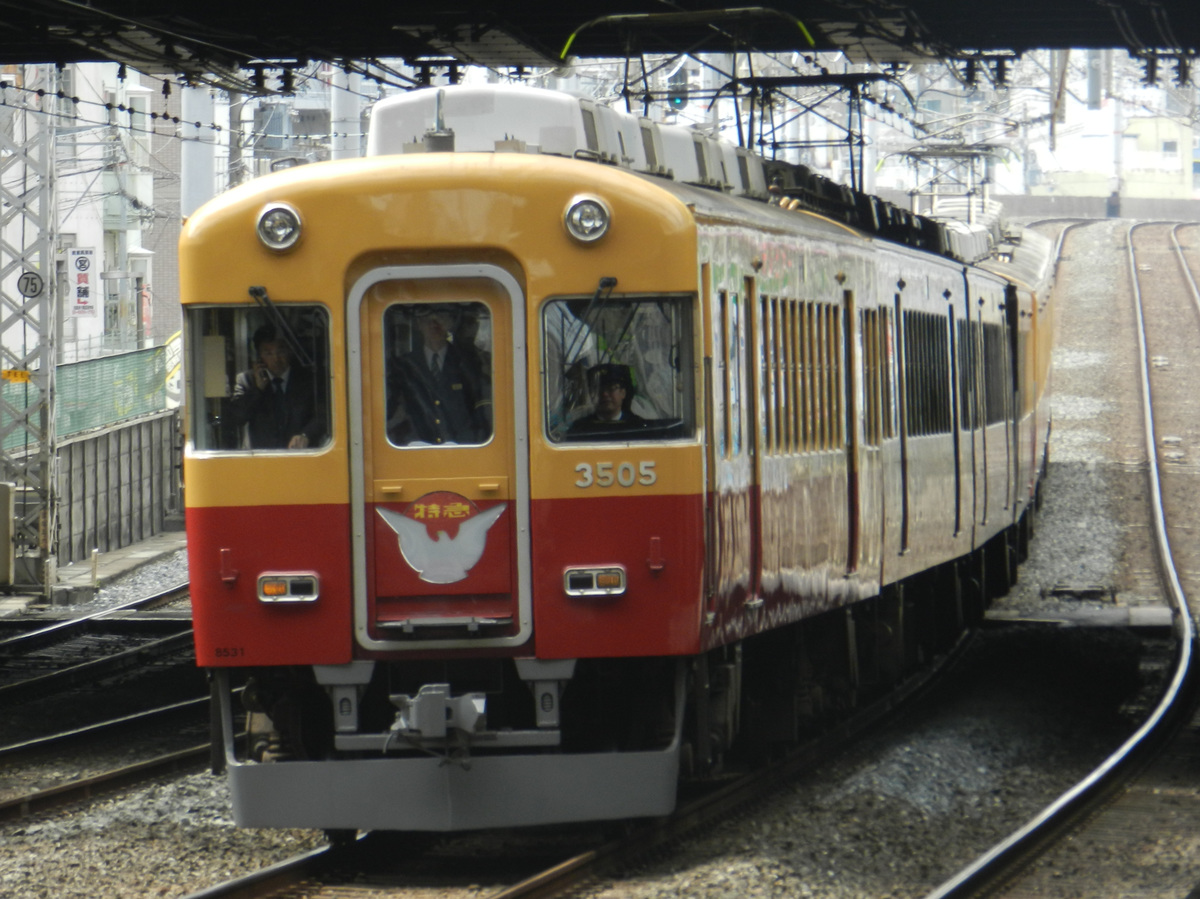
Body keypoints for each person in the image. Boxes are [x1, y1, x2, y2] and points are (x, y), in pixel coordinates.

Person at [390, 306, 490, 445]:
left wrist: (465, 443)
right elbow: (397, 412)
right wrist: (411, 442)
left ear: (451, 323)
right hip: (414, 449)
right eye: (426, 320)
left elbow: (479, 411)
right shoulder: (403, 365)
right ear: (418, 324)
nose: (434, 324)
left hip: (463, 449)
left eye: (441, 318)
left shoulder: (469, 362)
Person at [226, 325, 323, 449]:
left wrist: (306, 435)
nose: (276, 359)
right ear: (259, 357)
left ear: (290, 351)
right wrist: (257, 389)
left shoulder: (309, 379)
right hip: (262, 459)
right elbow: (236, 419)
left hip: (300, 456)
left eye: (280, 351)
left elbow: (323, 415)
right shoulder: (247, 380)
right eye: (268, 353)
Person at [568, 363, 646, 433]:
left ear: (623, 393)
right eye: (598, 389)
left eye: (611, 388)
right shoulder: (580, 429)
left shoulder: (637, 427)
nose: (604, 394)